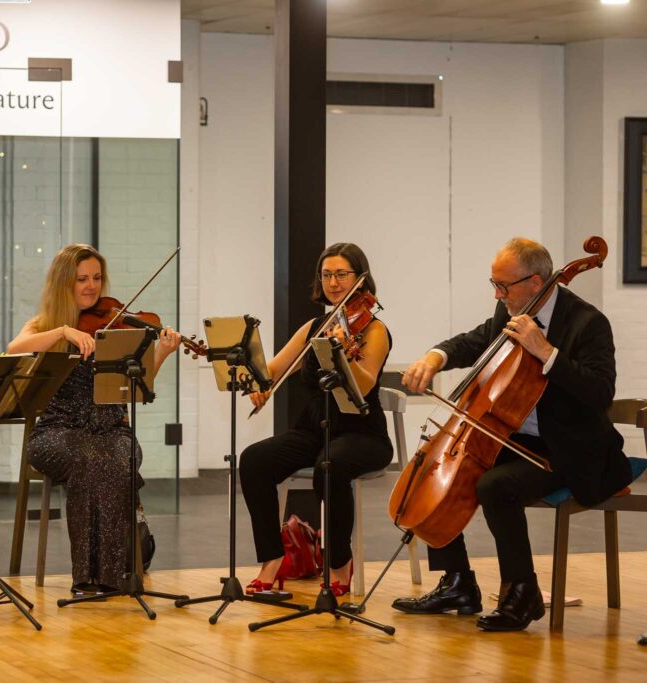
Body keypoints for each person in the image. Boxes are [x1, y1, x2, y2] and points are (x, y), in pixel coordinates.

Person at [392, 237, 632, 631]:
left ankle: (523, 592)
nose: (498, 295)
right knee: (437, 473)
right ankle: (457, 582)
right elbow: (474, 341)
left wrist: (547, 352)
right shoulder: (510, 310)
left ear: (536, 282)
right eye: (495, 284)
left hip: (571, 447)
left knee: (495, 485)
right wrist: (435, 357)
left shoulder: (588, 323)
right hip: (516, 438)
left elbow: (600, 393)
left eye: (504, 286)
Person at [7, 244, 180, 594]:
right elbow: (14, 348)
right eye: (82, 279)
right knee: (92, 459)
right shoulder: (43, 325)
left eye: (97, 278)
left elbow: (137, 387)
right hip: (57, 432)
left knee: (115, 457)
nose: (91, 286)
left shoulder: (115, 326)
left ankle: (110, 574)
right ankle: (90, 576)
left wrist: (161, 351)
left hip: (111, 429)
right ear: (64, 283)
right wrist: (63, 332)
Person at [239, 243, 392, 598]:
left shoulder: (374, 330)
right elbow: (272, 369)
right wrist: (256, 381)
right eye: (326, 275)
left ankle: (339, 563)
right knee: (253, 460)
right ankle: (273, 558)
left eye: (341, 274)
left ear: (360, 278)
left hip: (361, 433)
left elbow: (364, 384)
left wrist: (342, 355)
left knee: (329, 466)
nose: (333, 282)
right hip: (314, 429)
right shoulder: (315, 327)